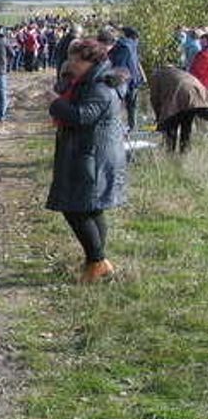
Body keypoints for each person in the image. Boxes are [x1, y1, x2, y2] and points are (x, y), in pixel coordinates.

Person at [46, 39, 128, 284]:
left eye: (75, 60)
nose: (71, 63)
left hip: (94, 155)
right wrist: (63, 82)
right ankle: (97, 262)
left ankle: (97, 261)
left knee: (76, 207)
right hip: (87, 153)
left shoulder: (100, 87)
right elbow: (70, 96)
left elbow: (81, 116)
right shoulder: (85, 81)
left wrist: (54, 103)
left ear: (91, 62)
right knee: (91, 208)